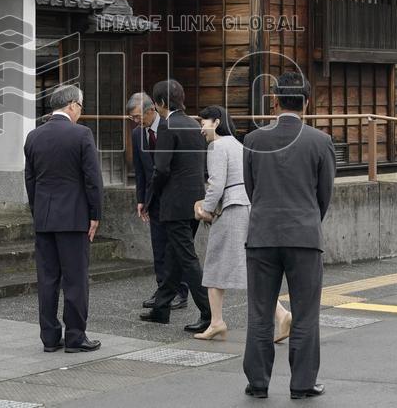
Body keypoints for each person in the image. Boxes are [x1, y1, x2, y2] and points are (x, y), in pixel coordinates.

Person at [242, 71, 335, 400]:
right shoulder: (320, 141)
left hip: (262, 233)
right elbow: (324, 194)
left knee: (260, 312)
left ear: (275, 101)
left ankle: (258, 382)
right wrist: (307, 219)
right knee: (306, 313)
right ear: (306, 103)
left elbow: (251, 188)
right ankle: (302, 383)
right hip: (304, 234)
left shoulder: (253, 140)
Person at [193, 105, 291, 343]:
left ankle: (218, 322)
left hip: (231, 208)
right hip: (247, 205)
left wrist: (205, 209)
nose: (201, 129)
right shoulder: (239, 145)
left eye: (203, 123)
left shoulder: (217, 146)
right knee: (248, 267)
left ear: (216, 122)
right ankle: (279, 314)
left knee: (215, 263)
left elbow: (216, 183)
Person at [23, 85, 103, 353]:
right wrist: (95, 214)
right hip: (74, 217)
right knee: (75, 279)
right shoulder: (81, 134)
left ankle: (49, 337)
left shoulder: (33, 136)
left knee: (47, 280)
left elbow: (30, 180)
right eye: (80, 106)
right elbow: (92, 179)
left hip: (44, 218)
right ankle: (75, 337)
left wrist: (37, 211)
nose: (80, 111)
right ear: (71, 105)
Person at [139, 79, 212, 333]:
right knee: (174, 256)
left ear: (160, 102)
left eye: (155, 102)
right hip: (195, 200)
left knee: (187, 259)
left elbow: (161, 169)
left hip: (174, 203)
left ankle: (209, 313)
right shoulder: (194, 124)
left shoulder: (167, 126)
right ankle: (161, 308)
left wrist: (151, 196)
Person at [126, 92, 189, 311]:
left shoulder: (169, 128)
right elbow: (140, 170)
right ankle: (162, 289)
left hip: (174, 197)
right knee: (159, 247)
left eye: (137, 116)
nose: (136, 121)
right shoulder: (137, 134)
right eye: (132, 118)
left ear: (151, 109)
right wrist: (141, 199)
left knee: (176, 247)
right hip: (153, 198)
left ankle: (180, 292)